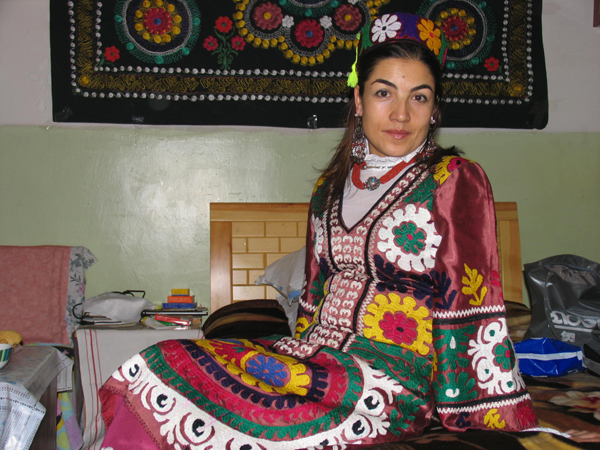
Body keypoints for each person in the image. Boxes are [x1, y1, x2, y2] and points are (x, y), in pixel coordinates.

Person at [99, 12, 537, 450]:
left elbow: (471, 302)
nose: (401, 114)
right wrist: (293, 357)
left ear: (434, 109)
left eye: (419, 97)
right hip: (314, 359)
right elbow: (313, 294)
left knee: (238, 404)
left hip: (390, 382)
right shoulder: (329, 188)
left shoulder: (452, 179)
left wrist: (481, 413)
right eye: (384, 92)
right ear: (359, 100)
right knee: (157, 364)